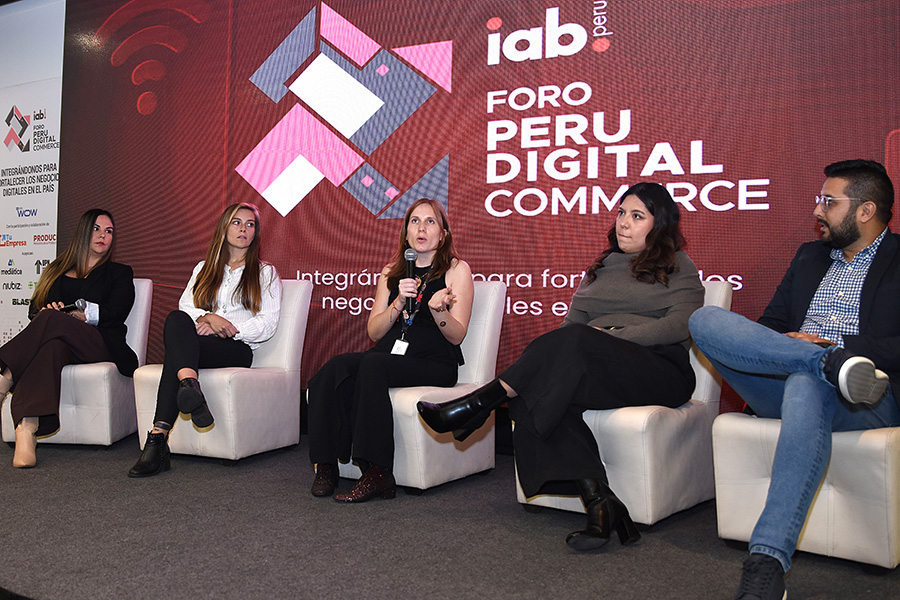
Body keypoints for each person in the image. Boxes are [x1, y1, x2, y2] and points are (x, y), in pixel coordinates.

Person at [418, 182, 705, 550]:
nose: (623, 223)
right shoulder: (601, 267)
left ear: (659, 224)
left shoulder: (679, 264)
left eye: (637, 216)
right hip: (600, 368)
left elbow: (679, 325)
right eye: (621, 213)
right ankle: (600, 502)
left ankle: (479, 404)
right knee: (543, 386)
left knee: (569, 348)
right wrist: (589, 341)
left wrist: (612, 337)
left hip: (660, 369)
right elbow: (570, 329)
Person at [688, 159, 900, 600]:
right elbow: (769, 327)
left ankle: (766, 562)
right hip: (786, 377)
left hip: (868, 395)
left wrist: (835, 345)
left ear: (865, 210)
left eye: (829, 201)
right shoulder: (808, 257)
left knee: (807, 383)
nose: (817, 210)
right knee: (704, 319)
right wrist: (812, 354)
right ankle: (824, 364)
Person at [307, 198, 474, 502]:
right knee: (335, 367)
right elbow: (374, 332)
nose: (421, 228)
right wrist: (398, 301)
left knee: (373, 366)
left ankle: (378, 472)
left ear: (443, 234)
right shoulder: (391, 272)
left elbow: (457, 336)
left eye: (430, 222)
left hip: (434, 362)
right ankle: (327, 466)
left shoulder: (456, 270)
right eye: (414, 221)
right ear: (405, 232)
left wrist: (438, 311)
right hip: (391, 356)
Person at [128, 202, 282, 477]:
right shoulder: (203, 268)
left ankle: (158, 440)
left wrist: (227, 327)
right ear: (224, 228)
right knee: (176, 319)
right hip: (202, 345)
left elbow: (267, 324)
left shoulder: (265, 273)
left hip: (237, 349)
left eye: (250, 225)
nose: (244, 229)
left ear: (256, 233)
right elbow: (186, 307)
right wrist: (209, 317)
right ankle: (189, 389)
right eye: (237, 222)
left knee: (176, 354)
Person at [0, 209, 137, 468]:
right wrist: (48, 311)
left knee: (53, 321)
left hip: (99, 344)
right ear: (83, 232)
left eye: (109, 231)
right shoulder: (56, 270)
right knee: (51, 346)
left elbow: (117, 312)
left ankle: (4, 377)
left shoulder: (119, 273)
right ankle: (26, 430)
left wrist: (84, 316)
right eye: (96, 229)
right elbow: (34, 310)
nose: (103, 236)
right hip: (63, 343)